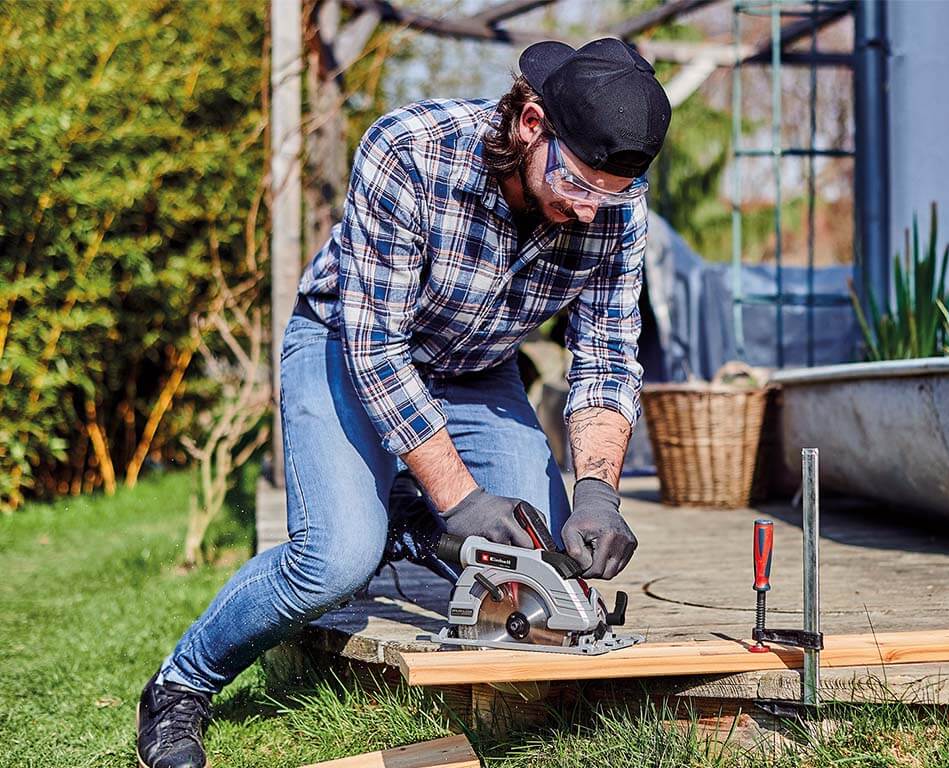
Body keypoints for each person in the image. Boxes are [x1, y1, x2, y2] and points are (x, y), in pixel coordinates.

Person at [136, 37, 670, 768]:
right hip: (346, 344)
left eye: (610, 194)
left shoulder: (616, 209)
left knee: (536, 551)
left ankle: (411, 515)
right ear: (532, 124)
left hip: (478, 367)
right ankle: (179, 687)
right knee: (336, 559)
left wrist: (599, 493)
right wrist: (458, 496)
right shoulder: (411, 151)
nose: (589, 211)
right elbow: (377, 349)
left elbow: (606, 355)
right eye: (580, 184)